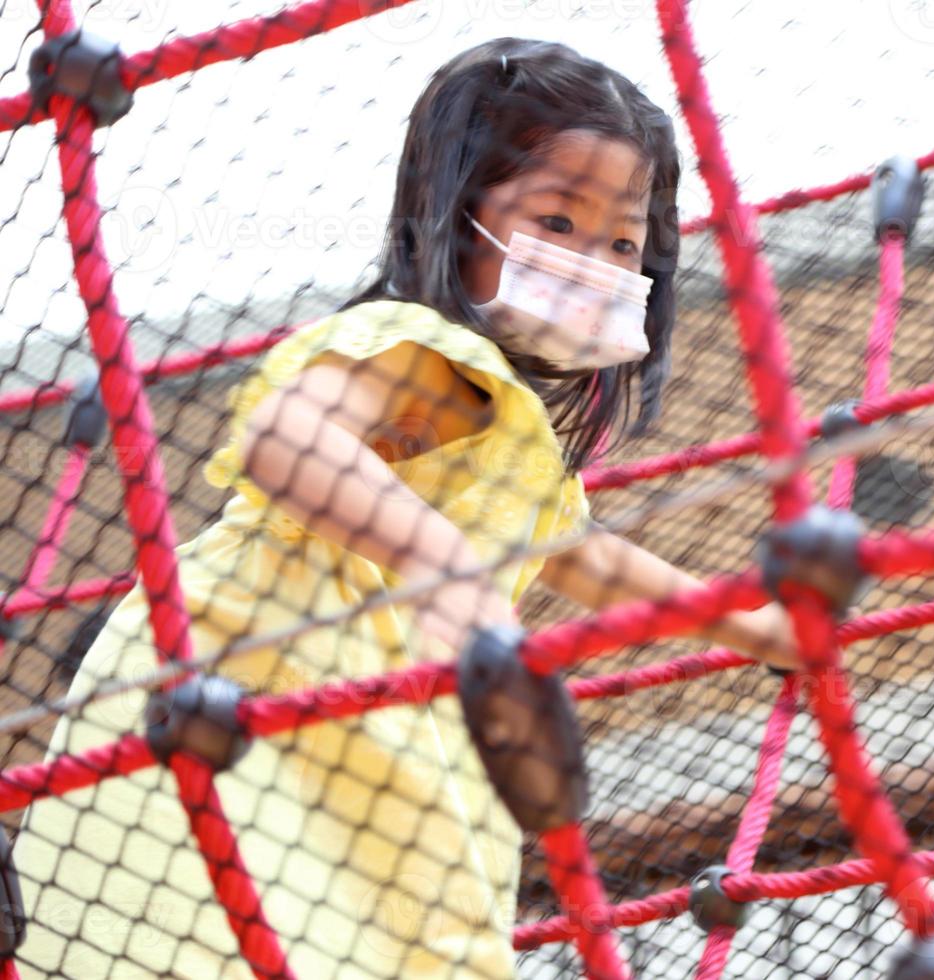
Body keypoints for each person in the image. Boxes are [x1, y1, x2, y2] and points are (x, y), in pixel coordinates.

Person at [13, 37, 798, 979]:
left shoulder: (509, 426)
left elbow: (581, 557)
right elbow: (290, 441)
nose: (593, 261)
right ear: (460, 222)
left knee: (381, 937)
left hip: (379, 721)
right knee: (225, 923)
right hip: (254, 671)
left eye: (622, 242)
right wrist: (448, 571)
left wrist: (747, 624)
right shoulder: (421, 350)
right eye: (557, 221)